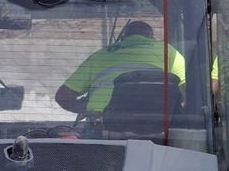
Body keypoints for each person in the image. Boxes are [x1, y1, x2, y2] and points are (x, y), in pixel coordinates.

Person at [55, 21, 186, 116]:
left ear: (124, 37)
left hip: (102, 124)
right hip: (157, 123)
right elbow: (188, 89)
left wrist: (86, 108)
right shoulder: (169, 51)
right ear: (151, 37)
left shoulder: (101, 55)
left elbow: (63, 96)